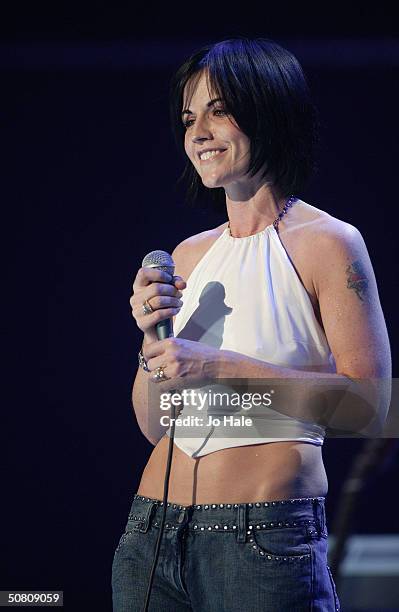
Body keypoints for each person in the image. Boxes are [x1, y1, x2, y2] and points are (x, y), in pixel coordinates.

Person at [111, 37, 391, 611]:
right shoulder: (188, 256)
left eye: (219, 110)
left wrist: (217, 365)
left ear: (269, 109)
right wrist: (151, 343)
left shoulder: (328, 243)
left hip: (262, 537)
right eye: (190, 117)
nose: (198, 132)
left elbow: (371, 407)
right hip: (151, 538)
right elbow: (153, 425)